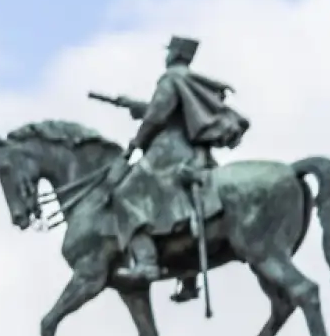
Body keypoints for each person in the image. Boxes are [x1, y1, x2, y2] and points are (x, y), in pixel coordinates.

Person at [101, 35, 250, 303]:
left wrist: (136, 142)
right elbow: (175, 111)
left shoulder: (170, 78)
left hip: (170, 151)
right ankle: (187, 277)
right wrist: (137, 106)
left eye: (168, 51)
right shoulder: (190, 80)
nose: (166, 55)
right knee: (182, 204)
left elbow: (158, 116)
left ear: (174, 54)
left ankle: (146, 262)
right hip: (193, 152)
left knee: (125, 195)